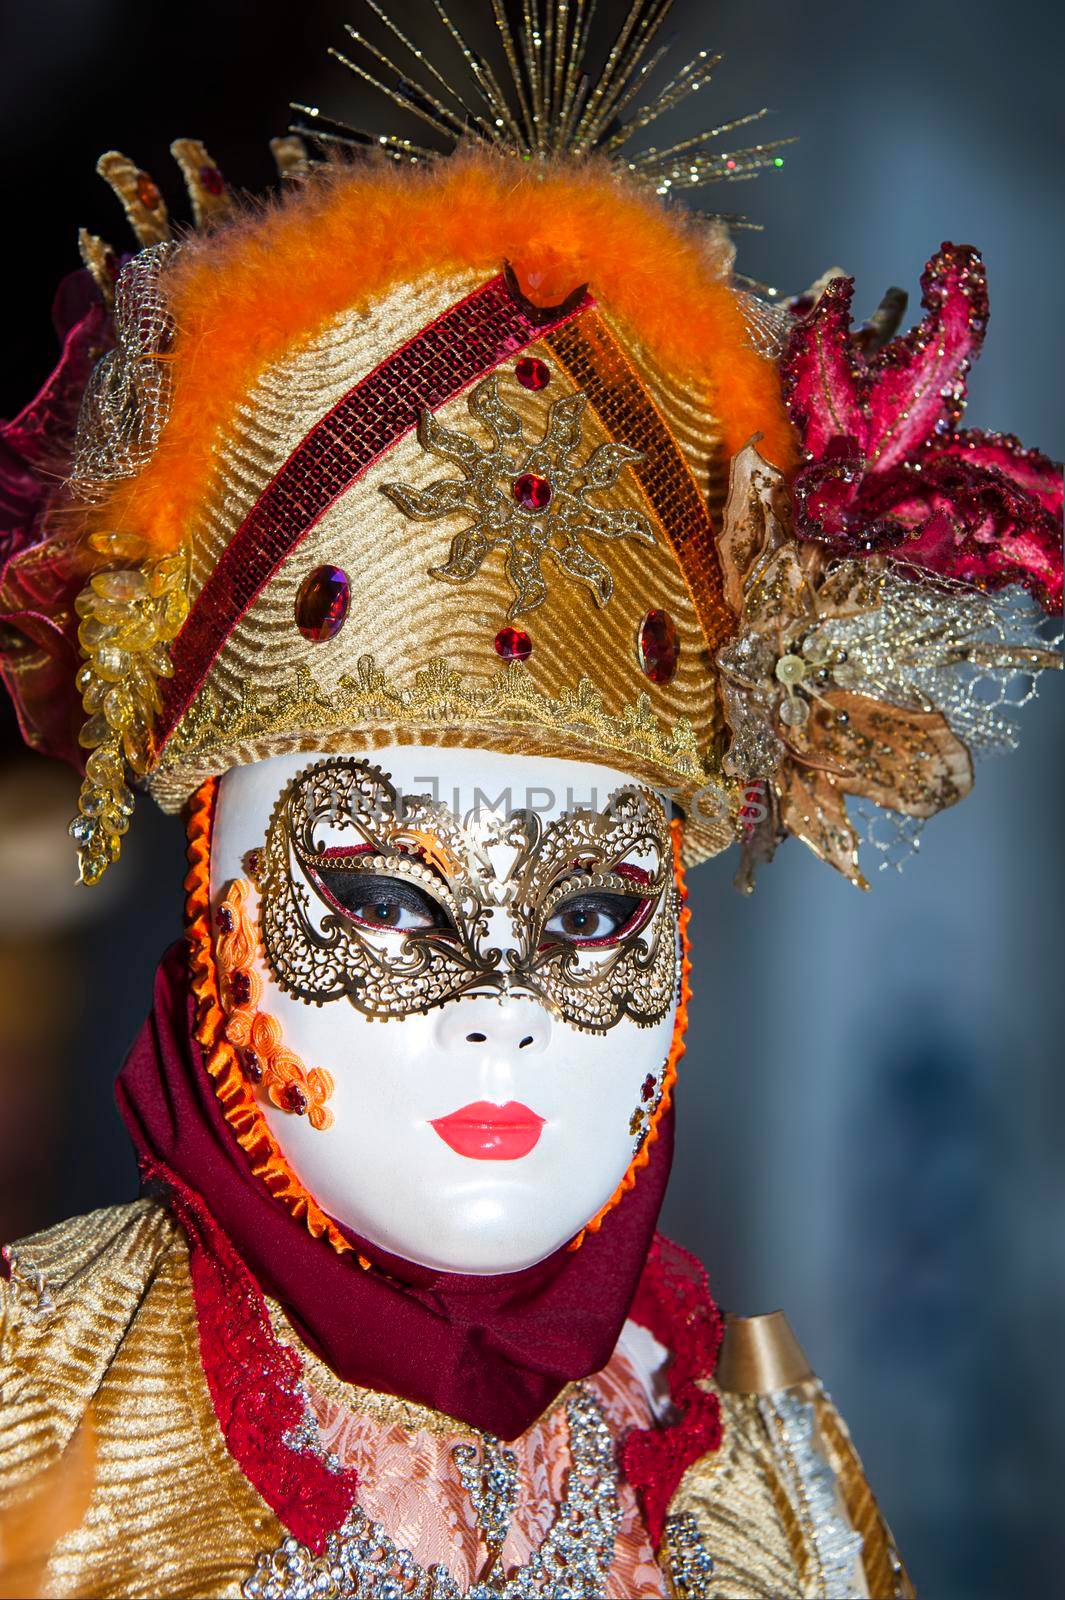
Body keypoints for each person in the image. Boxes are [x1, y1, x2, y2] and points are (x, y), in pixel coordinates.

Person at [0, 5, 1059, 1596]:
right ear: (215, 903)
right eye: (387, 900)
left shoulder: (753, 1492)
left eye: (592, 914)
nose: (503, 1014)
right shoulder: (36, 1415)